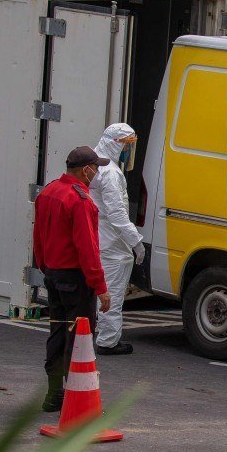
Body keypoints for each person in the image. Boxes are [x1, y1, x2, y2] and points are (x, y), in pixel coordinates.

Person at [33, 146, 112, 412]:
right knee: (79, 339)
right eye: (96, 168)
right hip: (75, 279)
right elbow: (88, 248)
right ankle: (77, 398)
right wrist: (100, 287)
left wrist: (45, 266)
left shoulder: (48, 192)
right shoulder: (80, 200)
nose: (97, 173)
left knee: (57, 332)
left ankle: (54, 393)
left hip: (53, 274)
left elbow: (38, 235)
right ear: (85, 170)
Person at [91, 123, 145, 356]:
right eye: (126, 146)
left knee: (98, 290)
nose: (127, 152)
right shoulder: (111, 173)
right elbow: (117, 214)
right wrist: (136, 242)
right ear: (115, 144)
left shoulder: (94, 162)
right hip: (111, 242)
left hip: (99, 237)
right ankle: (108, 341)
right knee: (111, 292)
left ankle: (93, 334)